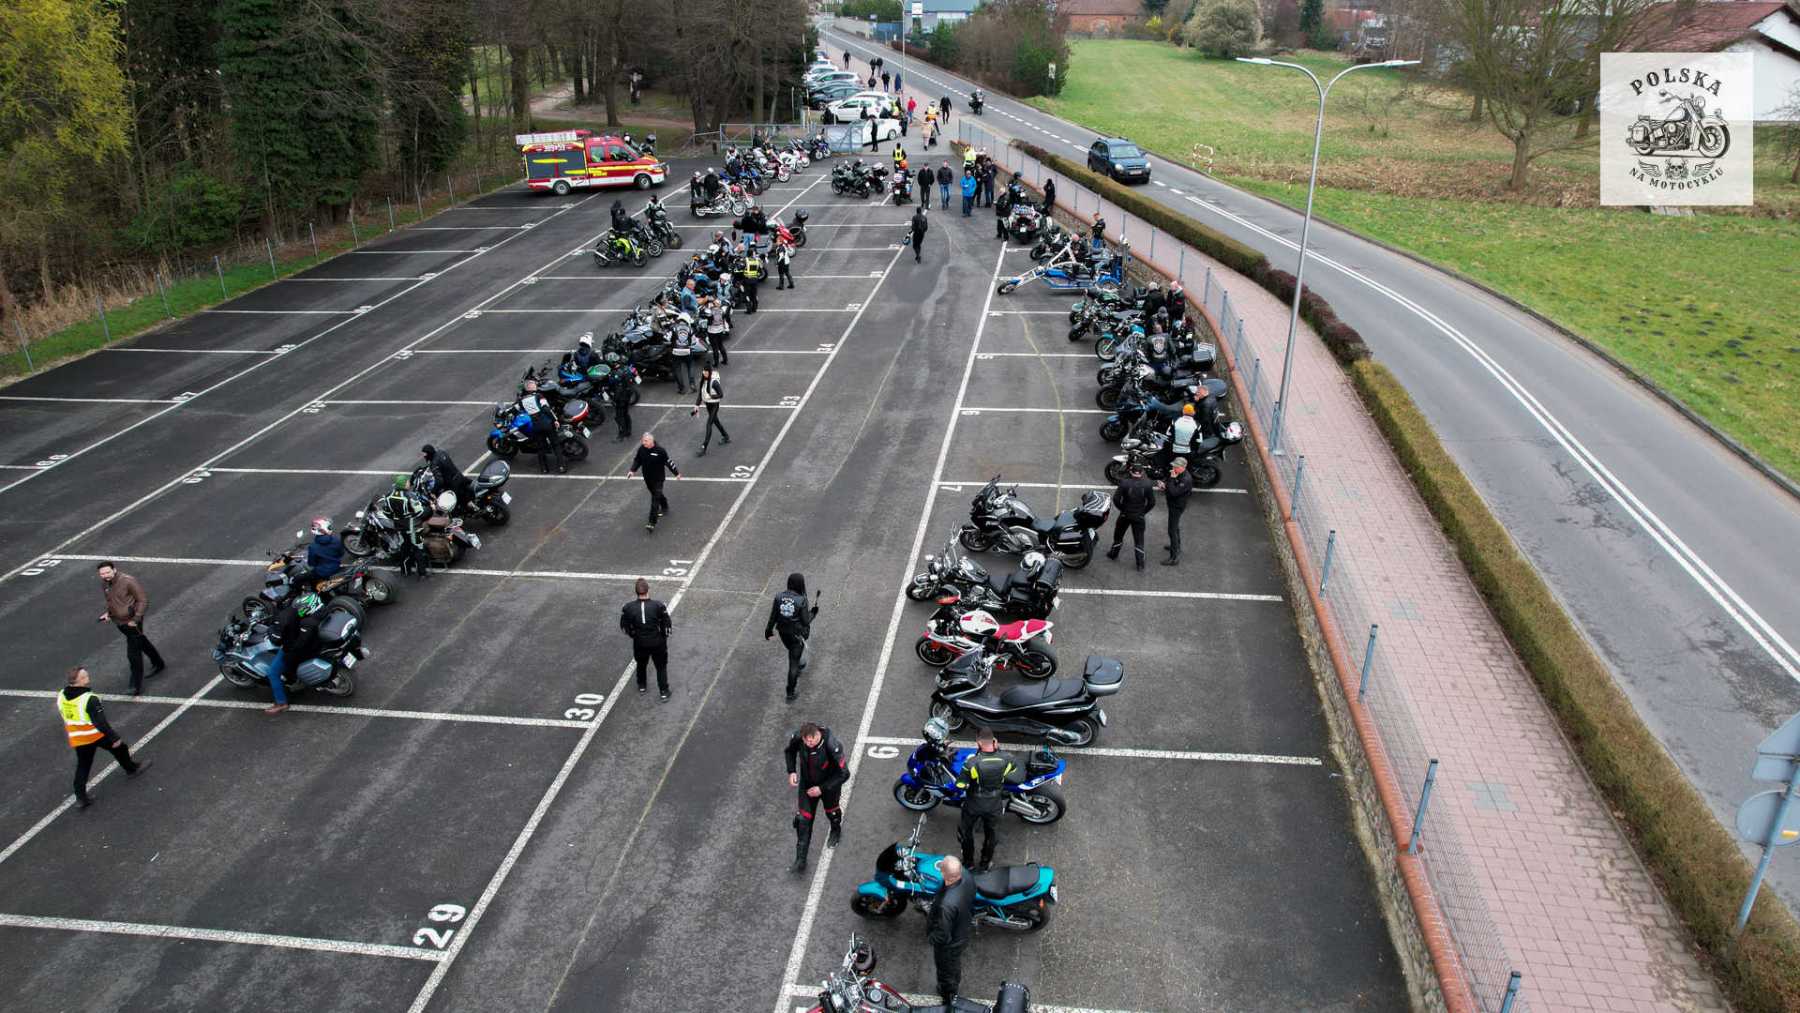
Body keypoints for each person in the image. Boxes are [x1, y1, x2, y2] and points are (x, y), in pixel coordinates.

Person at [58, 666, 149, 809]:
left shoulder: (62, 695)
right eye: (84, 676)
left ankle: (81, 797)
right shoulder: (90, 699)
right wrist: (114, 738)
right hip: (94, 734)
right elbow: (100, 723)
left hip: (78, 737)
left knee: (83, 766)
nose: (87, 677)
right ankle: (131, 768)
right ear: (79, 680)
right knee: (120, 748)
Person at [785, 722, 848, 871]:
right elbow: (789, 751)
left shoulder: (832, 745)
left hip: (829, 785)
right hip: (807, 785)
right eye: (806, 741)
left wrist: (821, 789)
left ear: (818, 735)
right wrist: (791, 771)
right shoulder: (799, 737)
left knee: (832, 812)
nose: (808, 744)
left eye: (811, 741)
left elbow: (844, 774)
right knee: (803, 820)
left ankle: (835, 830)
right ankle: (800, 860)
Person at [96, 562, 163, 695]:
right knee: (142, 641)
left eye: (107, 572)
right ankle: (158, 663)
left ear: (114, 570)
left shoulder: (128, 581)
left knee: (133, 654)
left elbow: (143, 600)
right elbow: (111, 601)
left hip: (132, 622)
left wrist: (136, 619)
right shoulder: (105, 584)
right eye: (102, 574)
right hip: (120, 622)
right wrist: (108, 613)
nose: (105, 575)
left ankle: (135, 686)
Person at [957, 730, 1017, 871]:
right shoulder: (1008, 759)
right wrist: (998, 750)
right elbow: (1013, 772)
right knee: (991, 835)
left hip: (973, 805)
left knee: (966, 832)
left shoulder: (971, 763)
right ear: (994, 742)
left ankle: (968, 863)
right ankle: (985, 863)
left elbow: (960, 784)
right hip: (994, 804)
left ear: (978, 742)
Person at [927, 856, 975, 1009]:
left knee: (946, 970)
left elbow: (943, 935)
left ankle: (948, 996)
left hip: (951, 944)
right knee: (954, 965)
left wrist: (931, 938)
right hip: (963, 929)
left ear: (944, 874)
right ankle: (953, 984)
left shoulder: (946, 905)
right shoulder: (966, 876)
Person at [266, 591, 325, 715]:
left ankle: (281, 703)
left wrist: (275, 632)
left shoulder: (307, 623)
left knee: (272, 673)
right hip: (316, 644)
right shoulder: (323, 610)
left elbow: (297, 645)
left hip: (303, 650)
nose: (300, 610)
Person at [765, 573, 819, 701]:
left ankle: (799, 663)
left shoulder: (778, 597)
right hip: (797, 636)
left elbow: (773, 617)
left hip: (783, 633)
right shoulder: (801, 600)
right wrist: (813, 612)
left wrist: (768, 630)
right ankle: (790, 692)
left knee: (792, 652)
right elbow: (806, 621)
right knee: (793, 664)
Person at [619, 577, 673, 701]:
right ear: (648, 589)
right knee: (661, 667)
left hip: (640, 642)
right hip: (657, 643)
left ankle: (642, 685)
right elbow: (667, 628)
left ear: (636, 592)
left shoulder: (628, 607)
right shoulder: (659, 606)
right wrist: (662, 638)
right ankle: (664, 691)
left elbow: (624, 627)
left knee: (641, 664)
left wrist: (634, 635)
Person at [1107, 463, 1157, 571]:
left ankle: (1113, 554)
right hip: (1139, 516)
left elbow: (1116, 499)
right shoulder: (1147, 484)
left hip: (1125, 514)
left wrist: (1122, 509)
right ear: (1142, 472)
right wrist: (1143, 512)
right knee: (1139, 540)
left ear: (1131, 472)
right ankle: (1140, 564)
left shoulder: (1124, 483)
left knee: (1118, 535)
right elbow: (1152, 502)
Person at [627, 433, 680, 532]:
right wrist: (632, 470)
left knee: (655, 499)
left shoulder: (660, 450)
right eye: (643, 441)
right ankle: (664, 506)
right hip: (647, 478)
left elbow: (669, 462)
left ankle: (651, 522)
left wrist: (676, 473)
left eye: (645, 441)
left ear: (651, 441)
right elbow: (637, 460)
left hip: (658, 479)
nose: (643, 443)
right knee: (656, 494)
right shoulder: (642, 449)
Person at [518, 378, 566, 474]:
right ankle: (561, 466)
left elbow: (516, 409)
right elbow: (546, 409)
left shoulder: (522, 400)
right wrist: (555, 420)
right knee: (555, 444)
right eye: (534, 384)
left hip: (535, 426)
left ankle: (544, 468)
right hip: (546, 423)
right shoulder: (539, 396)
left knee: (541, 448)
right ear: (531, 387)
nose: (536, 385)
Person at [1159, 457, 1195, 566]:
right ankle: (1177, 546)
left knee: (1172, 530)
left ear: (1183, 467)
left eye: (1176, 466)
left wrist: (1171, 479)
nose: (1173, 468)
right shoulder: (1178, 473)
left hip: (1177, 506)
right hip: (1174, 504)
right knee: (1175, 527)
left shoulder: (1186, 479)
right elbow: (1171, 487)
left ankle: (1174, 558)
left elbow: (1174, 492)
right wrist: (1164, 485)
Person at [691, 364, 730, 456]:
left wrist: (711, 396)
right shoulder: (703, 380)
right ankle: (726, 436)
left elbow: (721, 394)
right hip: (708, 405)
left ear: (710, 372)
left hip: (714, 405)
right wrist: (696, 405)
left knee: (709, 424)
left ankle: (704, 447)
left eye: (706, 372)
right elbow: (700, 394)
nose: (704, 373)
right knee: (716, 421)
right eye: (703, 371)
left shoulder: (714, 382)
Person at [303, 517, 344, 585]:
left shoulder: (313, 547)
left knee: (301, 579)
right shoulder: (336, 540)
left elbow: (311, 563)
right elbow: (341, 553)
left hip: (322, 572)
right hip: (337, 566)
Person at [670, 317, 700, 394]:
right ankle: (692, 385)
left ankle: (681, 388)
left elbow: (669, 338)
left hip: (676, 351)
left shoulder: (673, 328)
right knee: (690, 367)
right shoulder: (690, 329)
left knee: (678, 369)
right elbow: (693, 341)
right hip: (687, 351)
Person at [703, 293, 731, 366]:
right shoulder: (721, 310)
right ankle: (725, 360)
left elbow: (705, 315)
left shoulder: (710, 311)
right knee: (720, 345)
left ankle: (716, 363)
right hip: (720, 330)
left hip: (712, 331)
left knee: (714, 347)